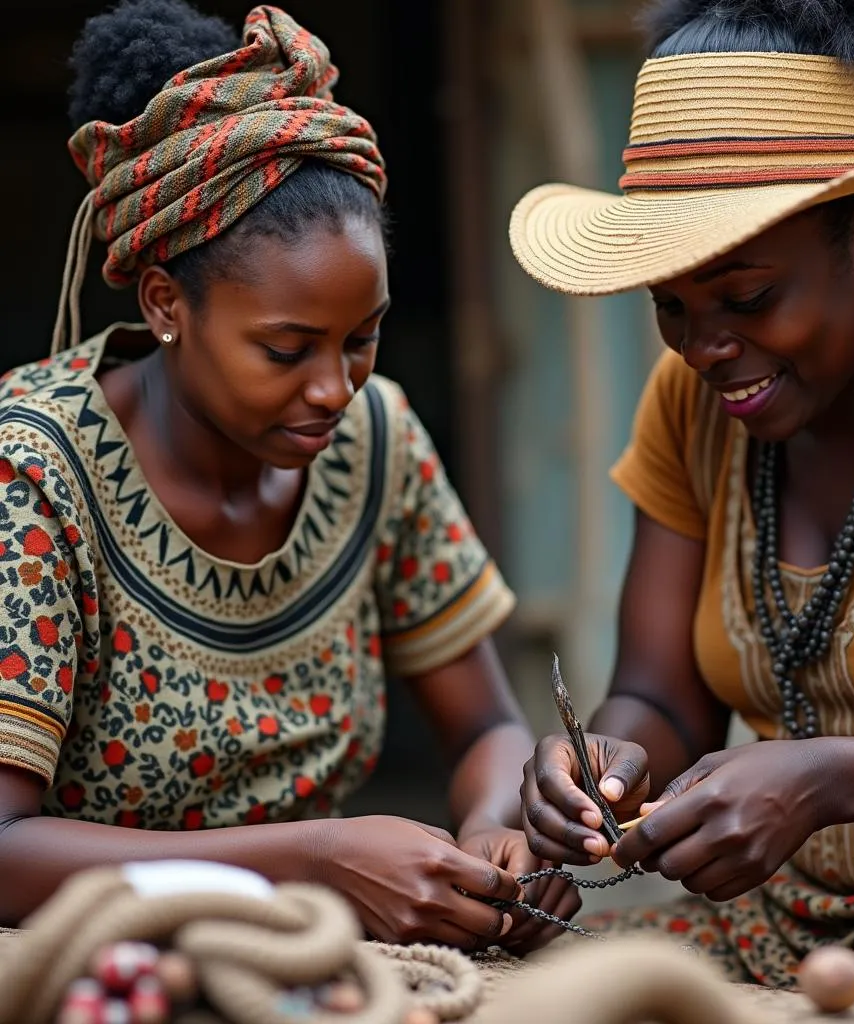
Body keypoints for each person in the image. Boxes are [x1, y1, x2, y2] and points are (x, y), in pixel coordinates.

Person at [0, 0, 579, 952]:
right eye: (286, 350)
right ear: (165, 303)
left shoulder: (376, 441)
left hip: (314, 956)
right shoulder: (37, 476)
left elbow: (487, 730)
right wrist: (310, 861)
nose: (334, 388)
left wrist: (494, 832)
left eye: (362, 339)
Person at [512, 0, 854, 1014]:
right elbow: (661, 698)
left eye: (745, 300)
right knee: (541, 980)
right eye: (669, 305)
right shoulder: (695, 402)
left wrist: (824, 779)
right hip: (776, 925)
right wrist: (601, 769)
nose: (703, 347)